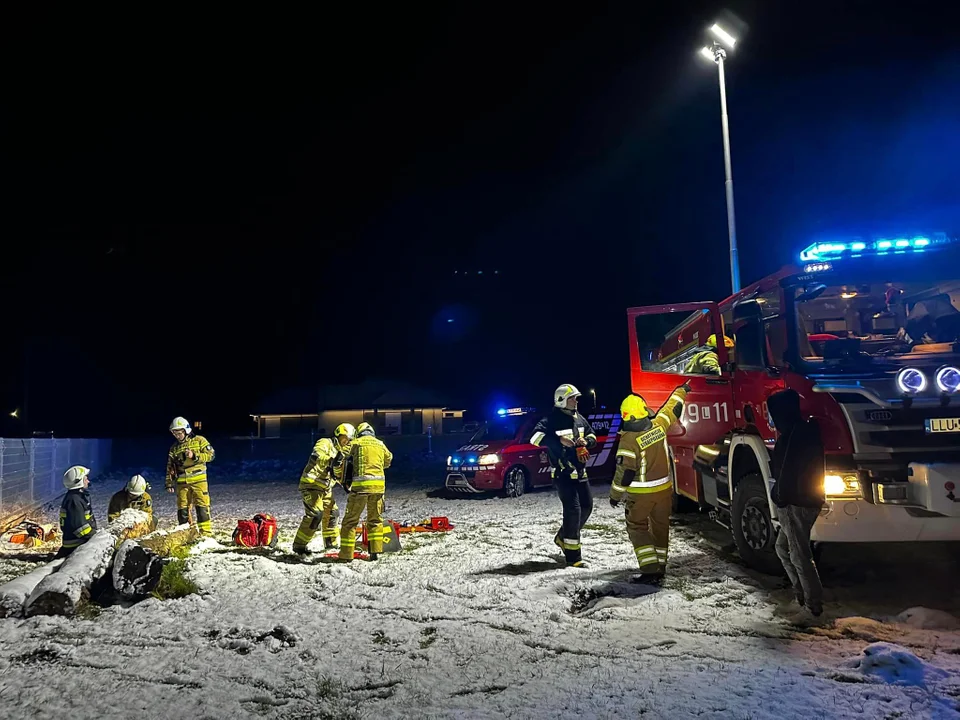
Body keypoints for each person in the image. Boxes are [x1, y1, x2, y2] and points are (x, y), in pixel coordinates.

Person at [609, 385, 688, 584]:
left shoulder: (628, 440)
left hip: (641, 495)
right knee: (661, 527)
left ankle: (650, 569)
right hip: (664, 491)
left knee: (637, 527)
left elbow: (625, 473)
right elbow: (673, 408)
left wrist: (615, 496)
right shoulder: (659, 425)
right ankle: (660, 565)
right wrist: (681, 390)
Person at [768, 388, 825, 617]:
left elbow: (787, 471)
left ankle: (812, 608)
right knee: (783, 548)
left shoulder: (792, 437)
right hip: (806, 500)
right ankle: (802, 597)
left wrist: (779, 497)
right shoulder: (806, 432)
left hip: (795, 503)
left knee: (798, 554)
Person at [530, 384, 597, 567]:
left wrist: (587, 441)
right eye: (572, 398)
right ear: (561, 400)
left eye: (576, 397)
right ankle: (573, 558)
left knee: (587, 507)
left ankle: (562, 537)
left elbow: (592, 434)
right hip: (563, 473)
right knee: (573, 510)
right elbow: (534, 437)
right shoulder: (551, 419)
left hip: (581, 473)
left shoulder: (579, 418)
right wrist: (558, 440)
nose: (576, 401)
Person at [293, 423, 356, 555]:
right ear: (338, 435)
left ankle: (330, 543)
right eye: (345, 438)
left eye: (349, 440)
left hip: (325, 489)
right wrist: (332, 460)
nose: (346, 442)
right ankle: (299, 546)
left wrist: (346, 483)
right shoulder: (325, 443)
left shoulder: (342, 453)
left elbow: (336, 473)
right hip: (311, 484)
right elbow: (317, 457)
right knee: (315, 515)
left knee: (333, 514)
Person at [338, 422, 392, 562]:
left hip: (360, 489)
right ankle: (374, 552)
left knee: (350, 522)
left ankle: (346, 555)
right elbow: (388, 460)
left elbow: (342, 455)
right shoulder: (380, 444)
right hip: (378, 489)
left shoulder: (356, 442)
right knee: (375, 521)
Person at [165, 416, 216, 536]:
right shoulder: (174, 448)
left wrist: (195, 456)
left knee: (202, 507)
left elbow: (211, 455)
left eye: (179, 432)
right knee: (182, 510)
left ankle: (206, 534)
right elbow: (170, 467)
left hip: (199, 481)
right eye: (175, 433)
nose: (177, 436)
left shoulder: (199, 440)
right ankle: (185, 534)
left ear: (186, 430)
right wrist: (169, 483)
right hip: (182, 483)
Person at [58, 465, 97, 558]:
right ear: (78, 482)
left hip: (76, 544)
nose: (88, 481)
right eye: (85, 478)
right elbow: (80, 527)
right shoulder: (74, 500)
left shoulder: (76, 497)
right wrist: (95, 537)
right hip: (75, 546)